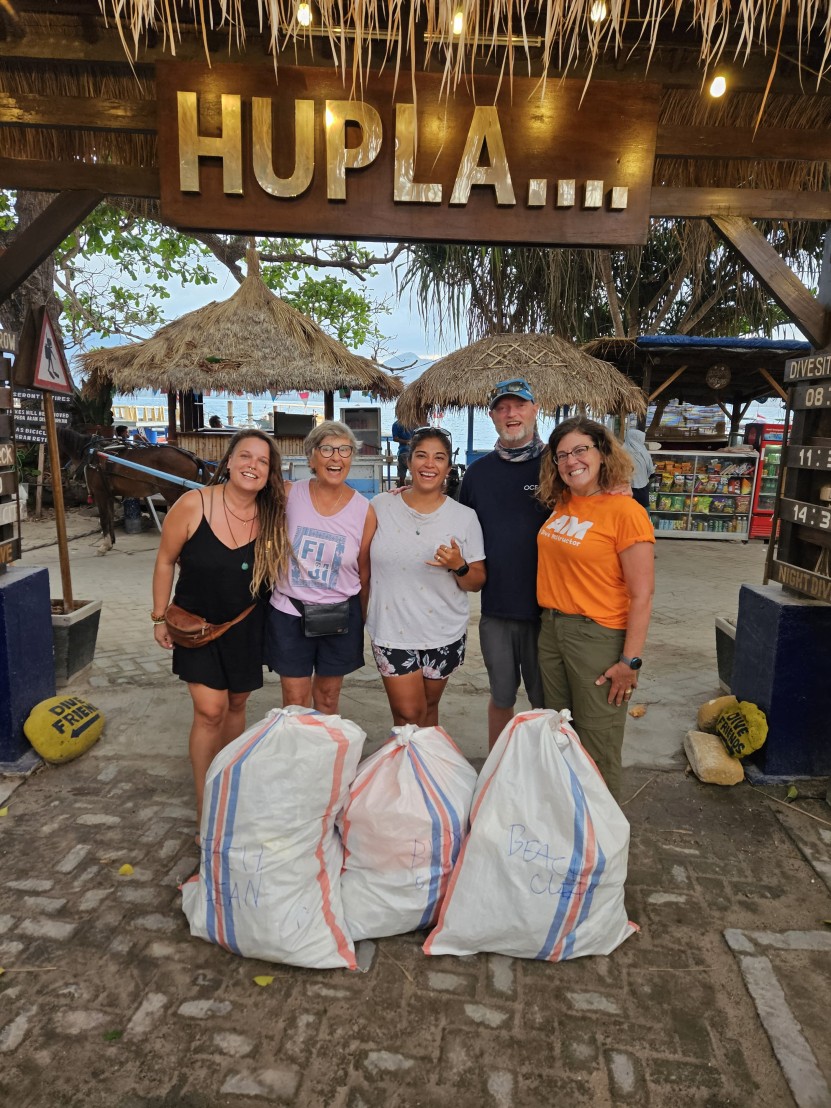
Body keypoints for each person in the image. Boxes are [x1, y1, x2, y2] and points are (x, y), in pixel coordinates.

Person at [151, 430, 290, 825]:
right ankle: (205, 805)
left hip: (247, 625)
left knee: (236, 705)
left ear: (269, 473)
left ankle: (229, 788)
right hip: (197, 626)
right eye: (246, 456)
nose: (253, 466)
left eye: (263, 462)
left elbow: (321, 496)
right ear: (228, 461)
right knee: (210, 709)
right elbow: (164, 560)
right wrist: (159, 615)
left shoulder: (273, 512)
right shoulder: (192, 504)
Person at [536, 416, 655, 800]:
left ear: (602, 453)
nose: (571, 461)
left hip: (597, 635)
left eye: (581, 450)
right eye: (562, 455)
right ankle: (569, 819)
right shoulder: (563, 502)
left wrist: (630, 661)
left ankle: (602, 839)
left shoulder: (626, 512)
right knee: (560, 731)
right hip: (552, 630)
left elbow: (643, 594)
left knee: (597, 741)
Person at [367, 426, 486, 727]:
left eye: (439, 457)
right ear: (409, 462)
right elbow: (359, 564)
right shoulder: (381, 505)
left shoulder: (464, 516)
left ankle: (426, 771)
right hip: (392, 630)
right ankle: (406, 771)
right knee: (409, 713)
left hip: (443, 631)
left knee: (428, 708)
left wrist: (459, 564)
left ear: (448, 466)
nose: (429, 464)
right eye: (421, 455)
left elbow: (476, 582)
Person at [458, 377, 550, 748]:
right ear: (493, 416)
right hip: (496, 608)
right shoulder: (478, 473)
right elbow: (456, 523)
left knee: (547, 702)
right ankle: (499, 768)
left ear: (535, 409)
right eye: (502, 407)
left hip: (550, 610)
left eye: (520, 405)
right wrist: (410, 494)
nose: (511, 413)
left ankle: (550, 768)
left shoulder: (557, 465)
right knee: (501, 698)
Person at [264, 420, 376, 714]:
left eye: (344, 450)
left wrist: (360, 618)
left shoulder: (365, 510)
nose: (335, 457)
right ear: (311, 457)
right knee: (295, 700)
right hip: (290, 611)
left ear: (353, 457)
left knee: (328, 697)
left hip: (339, 614)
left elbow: (364, 573)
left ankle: (324, 759)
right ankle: (296, 757)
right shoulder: (289, 495)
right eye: (326, 449)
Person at [623, 425, 655, 509]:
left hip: (624, 490)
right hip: (642, 490)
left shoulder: (620, 452)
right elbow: (652, 473)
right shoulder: (644, 452)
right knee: (642, 516)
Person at [391, 418, 414, 487]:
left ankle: (401, 487)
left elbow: (395, 438)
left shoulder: (396, 424)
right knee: (414, 472)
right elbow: (395, 438)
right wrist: (408, 442)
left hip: (403, 452)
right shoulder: (414, 423)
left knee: (402, 474)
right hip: (406, 452)